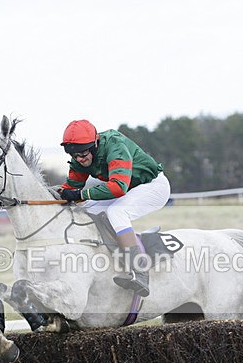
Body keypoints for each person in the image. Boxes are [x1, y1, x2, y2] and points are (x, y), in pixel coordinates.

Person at [59, 119, 171, 297]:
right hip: (130, 189)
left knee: (116, 212)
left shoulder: (115, 145)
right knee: (86, 211)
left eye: (83, 153)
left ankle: (140, 270)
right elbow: (70, 189)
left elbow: (118, 187)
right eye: (74, 155)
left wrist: (81, 194)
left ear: (95, 144)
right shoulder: (79, 158)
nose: (79, 159)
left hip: (153, 186)